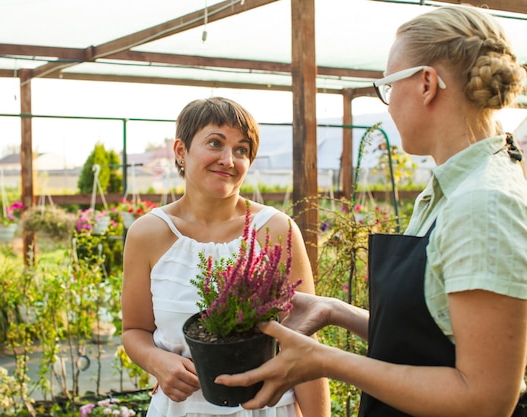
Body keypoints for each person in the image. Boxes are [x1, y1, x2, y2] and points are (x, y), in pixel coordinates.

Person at [216, 5, 527, 417]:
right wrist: (335, 311)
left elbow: (485, 399)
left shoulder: (482, 203)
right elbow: (431, 336)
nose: (388, 104)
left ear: (426, 84)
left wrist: (326, 361)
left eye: (387, 86)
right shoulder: (451, 190)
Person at [121, 97, 330, 417]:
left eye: (242, 150)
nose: (228, 159)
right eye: (215, 143)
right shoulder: (148, 234)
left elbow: (304, 345)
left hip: (266, 409)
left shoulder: (275, 230)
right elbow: (134, 330)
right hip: (181, 409)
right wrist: (156, 361)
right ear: (180, 151)